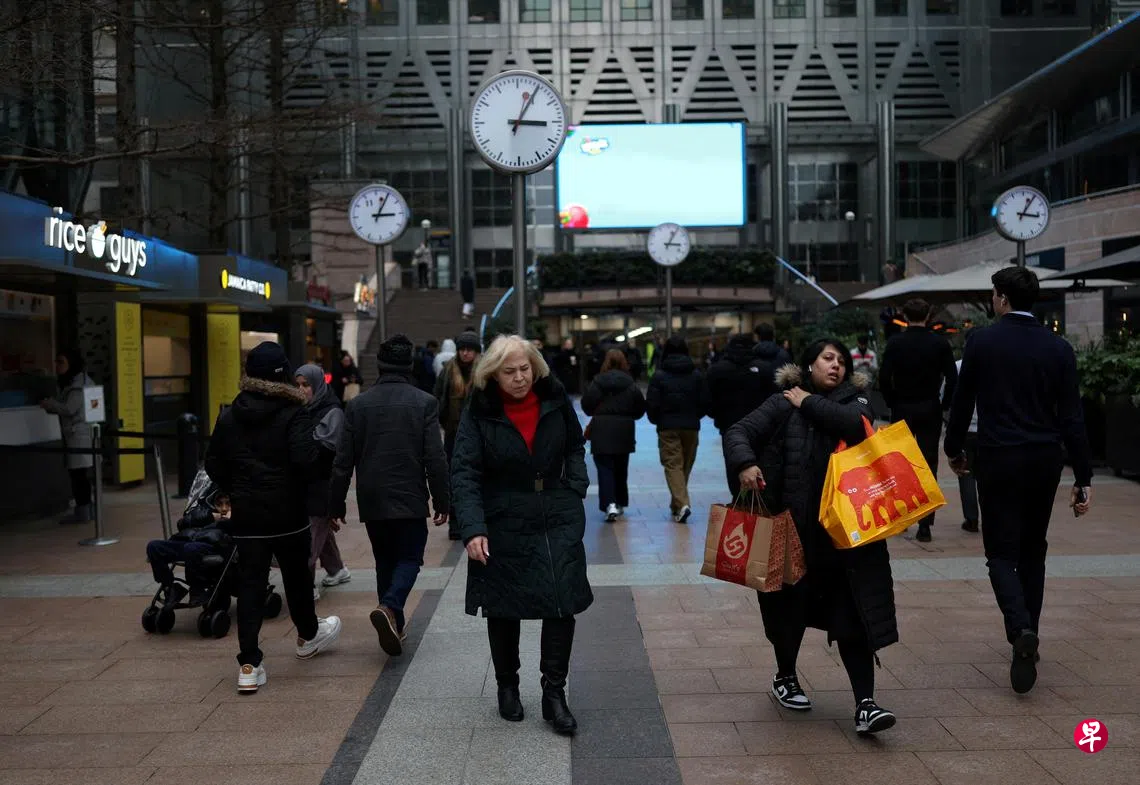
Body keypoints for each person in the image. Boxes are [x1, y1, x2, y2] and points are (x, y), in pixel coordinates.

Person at [724, 339, 898, 736]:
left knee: (853, 618)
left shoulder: (857, 402)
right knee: (788, 613)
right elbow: (738, 431)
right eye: (827, 358)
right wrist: (745, 463)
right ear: (810, 364)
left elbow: (853, 425)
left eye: (842, 361)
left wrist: (807, 401)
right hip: (794, 532)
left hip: (846, 539)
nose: (836, 366)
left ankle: (865, 704)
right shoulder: (783, 403)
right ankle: (785, 676)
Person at [945, 266, 1093, 695]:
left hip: (999, 457)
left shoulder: (982, 341)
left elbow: (962, 401)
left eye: (994, 294)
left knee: (999, 553)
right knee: (1033, 550)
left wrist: (954, 449)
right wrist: (1083, 475)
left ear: (1003, 298)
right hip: (1045, 459)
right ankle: (1031, 633)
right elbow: (1073, 416)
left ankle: (1020, 628)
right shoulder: (1058, 348)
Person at [450, 334, 592, 735]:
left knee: (562, 601)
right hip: (503, 516)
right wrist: (473, 528)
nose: (519, 378)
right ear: (493, 374)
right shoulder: (479, 410)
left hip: (555, 512)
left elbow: (575, 445)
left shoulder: (555, 398)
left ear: (536, 367)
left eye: (525, 369)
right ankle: (507, 685)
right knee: (504, 605)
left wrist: (575, 486)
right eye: (509, 371)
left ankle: (554, 692)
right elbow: (464, 471)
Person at [205, 342, 341, 694]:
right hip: (288, 512)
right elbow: (307, 460)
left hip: (248, 515)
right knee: (297, 578)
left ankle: (249, 664)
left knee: (250, 585)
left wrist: (236, 489)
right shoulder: (293, 412)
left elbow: (213, 463)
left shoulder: (230, 414)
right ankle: (308, 635)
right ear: (283, 374)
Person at [329, 334, 450, 656]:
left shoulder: (358, 405)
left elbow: (343, 460)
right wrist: (442, 499)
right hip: (409, 493)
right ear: (409, 366)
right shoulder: (424, 402)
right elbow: (435, 457)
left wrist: (335, 503)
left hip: (372, 495)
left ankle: (394, 623)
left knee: (384, 560)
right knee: (410, 558)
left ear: (380, 365)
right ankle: (390, 606)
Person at [878, 298, 957, 543]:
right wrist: (944, 404)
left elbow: (884, 377)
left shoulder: (896, 343)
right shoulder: (939, 343)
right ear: (928, 315)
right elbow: (952, 378)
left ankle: (902, 516)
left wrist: (891, 401)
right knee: (928, 463)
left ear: (904, 316)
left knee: (899, 463)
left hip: (902, 406)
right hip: (930, 406)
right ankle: (925, 523)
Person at [295, 364, 351, 602]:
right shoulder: (299, 410)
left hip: (322, 484)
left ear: (317, 386)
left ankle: (304, 586)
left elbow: (326, 450)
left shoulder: (332, 411)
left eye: (306, 385)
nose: (301, 390)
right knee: (321, 531)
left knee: (311, 535)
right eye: (297, 385)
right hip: (305, 483)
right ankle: (337, 569)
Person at [646, 336, 709, 523]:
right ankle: (679, 505)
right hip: (691, 427)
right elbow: (705, 402)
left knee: (673, 465)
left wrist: (657, 420)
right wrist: (695, 417)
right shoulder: (696, 375)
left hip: (667, 427)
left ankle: (681, 504)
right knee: (685, 466)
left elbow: (652, 403)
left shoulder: (659, 376)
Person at [706, 334, 777, 496]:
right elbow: (774, 397)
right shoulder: (765, 369)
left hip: (729, 427)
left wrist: (719, 417)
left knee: (734, 466)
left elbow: (708, 400)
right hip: (761, 428)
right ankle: (758, 498)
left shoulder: (717, 369)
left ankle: (739, 499)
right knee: (761, 464)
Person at [581, 349, 646, 523]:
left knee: (605, 468)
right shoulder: (630, 383)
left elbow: (586, 405)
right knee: (621, 468)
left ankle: (609, 504)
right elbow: (640, 408)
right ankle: (620, 502)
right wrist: (628, 416)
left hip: (601, 430)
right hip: (624, 431)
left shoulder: (597, 382)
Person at [145, 490, 231, 606]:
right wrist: (210, 516)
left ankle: (197, 589)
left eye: (228, 504)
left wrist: (228, 520)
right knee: (154, 546)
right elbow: (182, 522)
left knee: (191, 548)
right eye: (219, 504)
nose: (224, 508)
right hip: (185, 542)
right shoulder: (204, 510)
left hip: (209, 546)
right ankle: (169, 588)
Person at [434, 330, 482, 540]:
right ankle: (456, 524)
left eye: (470, 349)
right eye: (462, 349)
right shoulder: (448, 370)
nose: (465, 353)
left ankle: (477, 522)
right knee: (455, 479)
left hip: (479, 434)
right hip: (453, 433)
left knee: (478, 478)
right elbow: (438, 397)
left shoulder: (484, 371)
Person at [40, 349, 95, 524]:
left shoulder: (78, 385)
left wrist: (50, 404)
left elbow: (70, 409)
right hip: (80, 434)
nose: (57, 366)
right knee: (80, 475)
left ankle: (84, 511)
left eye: (61, 362)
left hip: (78, 435)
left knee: (79, 476)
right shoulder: (80, 381)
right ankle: (85, 510)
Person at [949, 356, 980, 534]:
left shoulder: (958, 366)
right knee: (988, 475)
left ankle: (971, 518)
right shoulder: (997, 360)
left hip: (966, 428)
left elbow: (947, 393)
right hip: (990, 429)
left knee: (966, 473)